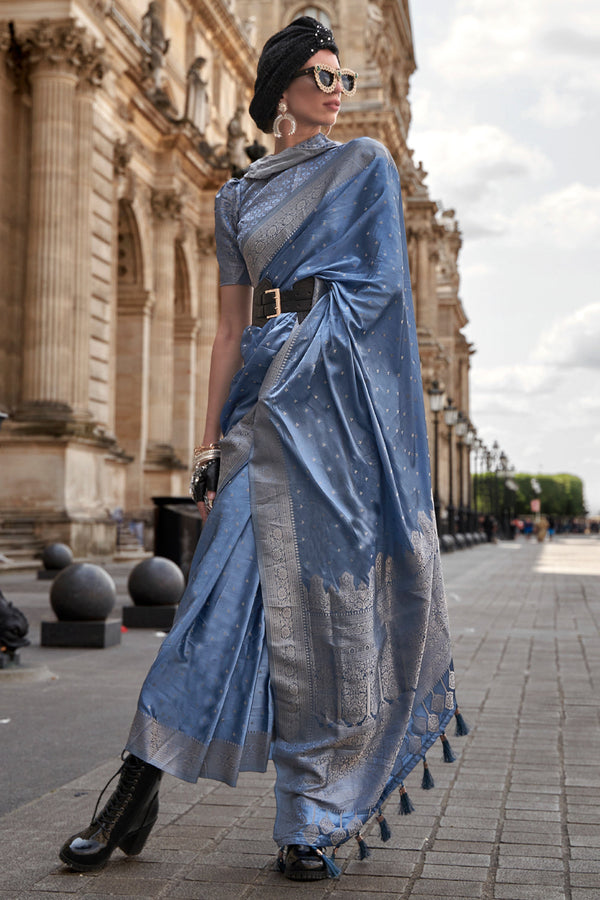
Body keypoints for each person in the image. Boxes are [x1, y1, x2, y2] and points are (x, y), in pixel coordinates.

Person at [59, 17, 460, 882]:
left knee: (327, 614)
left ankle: (308, 820)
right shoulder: (235, 199)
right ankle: (134, 792)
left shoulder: (366, 167)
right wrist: (209, 446)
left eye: (342, 77)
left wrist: (318, 353)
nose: (336, 89)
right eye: (320, 74)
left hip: (337, 419)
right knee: (206, 604)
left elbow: (384, 294)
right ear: (280, 88)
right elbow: (227, 331)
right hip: (263, 414)